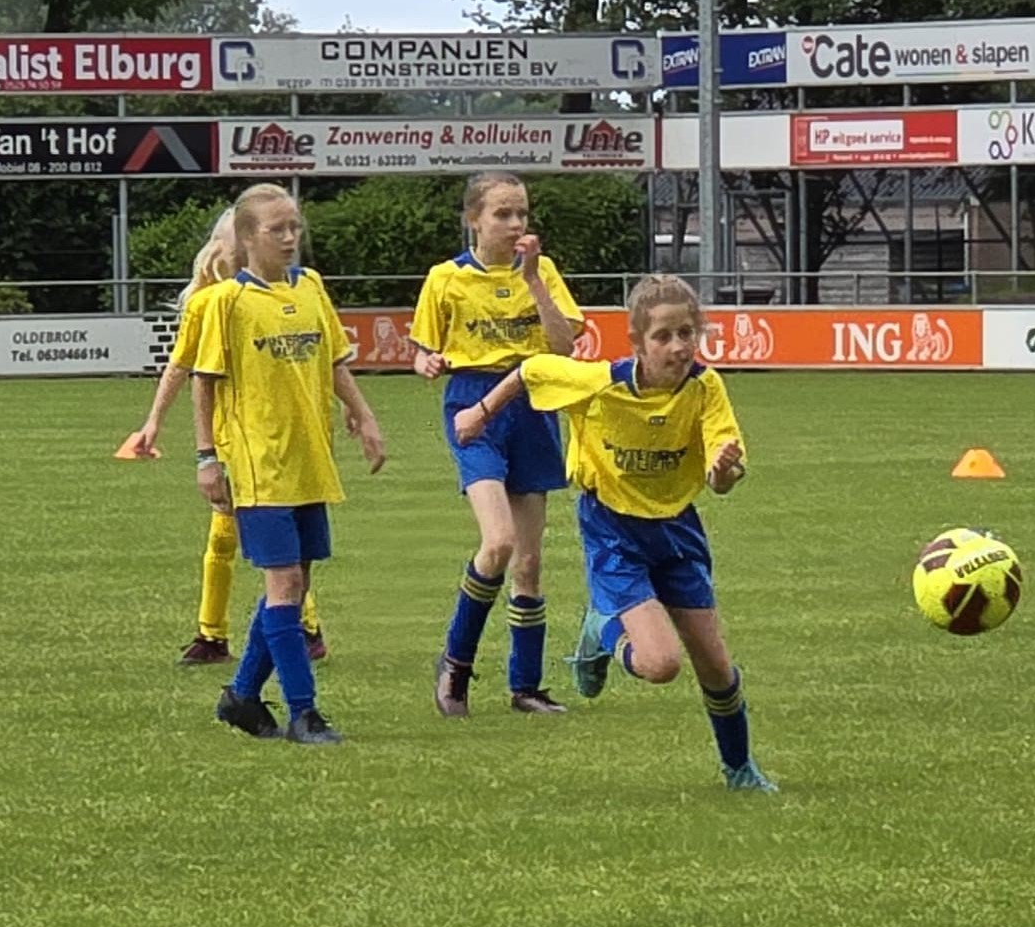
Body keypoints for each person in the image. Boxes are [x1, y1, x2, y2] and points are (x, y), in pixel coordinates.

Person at [452, 274, 773, 791]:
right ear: (638, 343)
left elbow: (723, 475)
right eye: (664, 336)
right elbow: (533, 369)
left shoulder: (705, 387)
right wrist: (481, 411)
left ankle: (739, 769)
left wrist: (723, 469)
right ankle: (600, 632)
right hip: (613, 530)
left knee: (714, 664)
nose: (678, 347)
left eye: (687, 333)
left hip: (676, 530)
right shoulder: (599, 384)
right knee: (660, 665)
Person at [191, 184, 387, 746]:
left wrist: (363, 415)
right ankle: (305, 713)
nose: (289, 237)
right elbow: (204, 384)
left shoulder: (311, 288)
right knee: (285, 581)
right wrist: (208, 458)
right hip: (257, 463)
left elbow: (332, 360)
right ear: (248, 237)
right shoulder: (228, 302)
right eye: (276, 228)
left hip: (309, 458)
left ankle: (243, 698)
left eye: (294, 226)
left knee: (296, 587)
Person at [411, 173, 587, 716]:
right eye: (502, 215)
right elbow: (422, 351)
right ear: (473, 220)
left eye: (522, 215)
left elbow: (563, 344)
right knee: (500, 541)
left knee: (530, 562)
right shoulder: (446, 279)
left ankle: (525, 687)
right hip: (474, 406)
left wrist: (533, 281)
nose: (515, 226)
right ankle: (455, 667)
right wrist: (428, 361)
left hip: (533, 404)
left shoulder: (544, 272)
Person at [122, 206, 324, 666]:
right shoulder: (210, 302)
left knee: (264, 539)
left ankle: (259, 633)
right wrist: (153, 421)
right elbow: (184, 365)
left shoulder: (286, 292)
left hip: (269, 441)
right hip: (231, 439)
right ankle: (238, 633)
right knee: (232, 536)